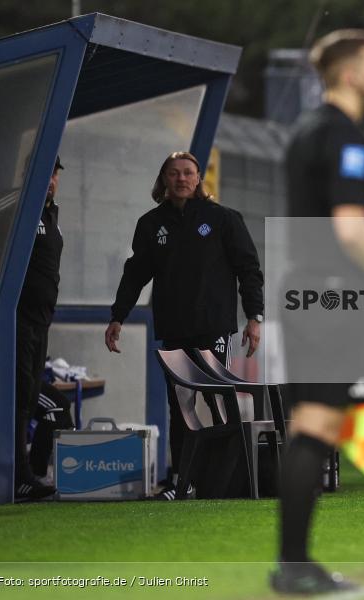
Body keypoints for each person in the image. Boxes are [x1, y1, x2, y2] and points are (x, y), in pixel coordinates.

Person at [271, 29, 364, 595]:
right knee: (316, 428)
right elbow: (350, 226)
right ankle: (293, 567)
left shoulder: (306, 132)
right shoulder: (346, 137)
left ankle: (294, 563)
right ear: (349, 74)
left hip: (304, 289)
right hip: (331, 292)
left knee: (310, 427)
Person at [104, 151, 264, 501]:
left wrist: (254, 318)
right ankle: (183, 481)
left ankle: (226, 481)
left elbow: (249, 270)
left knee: (219, 402)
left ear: (198, 179)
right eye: (173, 173)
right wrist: (118, 315)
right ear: (163, 180)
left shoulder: (223, 219)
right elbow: (135, 274)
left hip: (215, 327)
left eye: (188, 173)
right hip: (174, 329)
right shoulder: (150, 224)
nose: (181, 179)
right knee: (180, 407)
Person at [14, 156, 64, 501]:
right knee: (20, 398)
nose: (50, 181)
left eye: (55, 174)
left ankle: (27, 473)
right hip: (16, 322)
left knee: (31, 397)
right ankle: (18, 475)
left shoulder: (51, 213)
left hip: (40, 323)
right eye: (45, 174)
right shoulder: (16, 209)